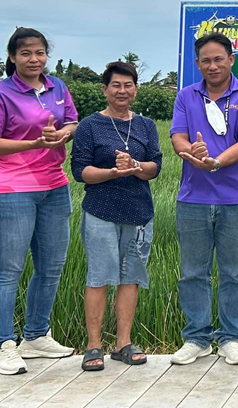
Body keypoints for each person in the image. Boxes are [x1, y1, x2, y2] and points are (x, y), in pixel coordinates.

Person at [0, 27, 78, 375]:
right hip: (8, 187)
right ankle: (3, 344)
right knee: (8, 270)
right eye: (26, 54)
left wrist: (62, 133)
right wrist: (35, 144)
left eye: (40, 53)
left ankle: (35, 336)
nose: (34, 60)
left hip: (53, 185)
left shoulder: (57, 87)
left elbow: (72, 122)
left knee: (50, 267)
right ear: (13, 58)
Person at [168, 33, 238, 366]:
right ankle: (197, 337)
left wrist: (217, 161)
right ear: (197, 64)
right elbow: (177, 137)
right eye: (205, 60)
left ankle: (231, 337)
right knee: (192, 272)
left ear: (231, 60)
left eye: (218, 59)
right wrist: (190, 153)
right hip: (193, 197)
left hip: (235, 198)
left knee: (234, 272)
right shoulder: (186, 96)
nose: (212, 66)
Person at [71, 62, 163, 371]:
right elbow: (80, 171)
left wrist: (136, 165)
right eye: (116, 86)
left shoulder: (146, 125)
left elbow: (155, 168)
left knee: (131, 277)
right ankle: (94, 345)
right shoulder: (90, 125)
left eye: (128, 85)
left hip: (138, 212)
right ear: (105, 90)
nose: (122, 91)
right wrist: (113, 172)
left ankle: (123, 343)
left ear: (136, 89)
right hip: (100, 211)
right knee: (99, 276)